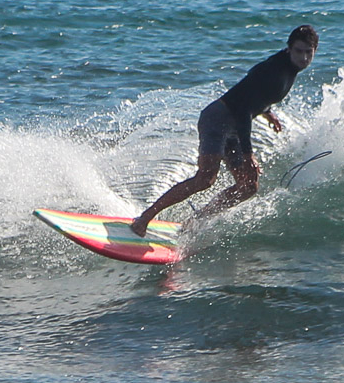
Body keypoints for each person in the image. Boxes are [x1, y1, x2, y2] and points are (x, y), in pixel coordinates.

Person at [130, 25, 319, 236]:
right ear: (289, 48)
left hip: (233, 126)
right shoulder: (274, 71)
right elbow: (243, 109)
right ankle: (144, 218)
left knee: (248, 186)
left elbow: (251, 90)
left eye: (308, 52)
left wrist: (267, 111)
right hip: (218, 120)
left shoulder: (287, 68)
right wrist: (248, 153)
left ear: (315, 51)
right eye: (299, 51)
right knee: (205, 179)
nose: (303, 58)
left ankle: (193, 223)